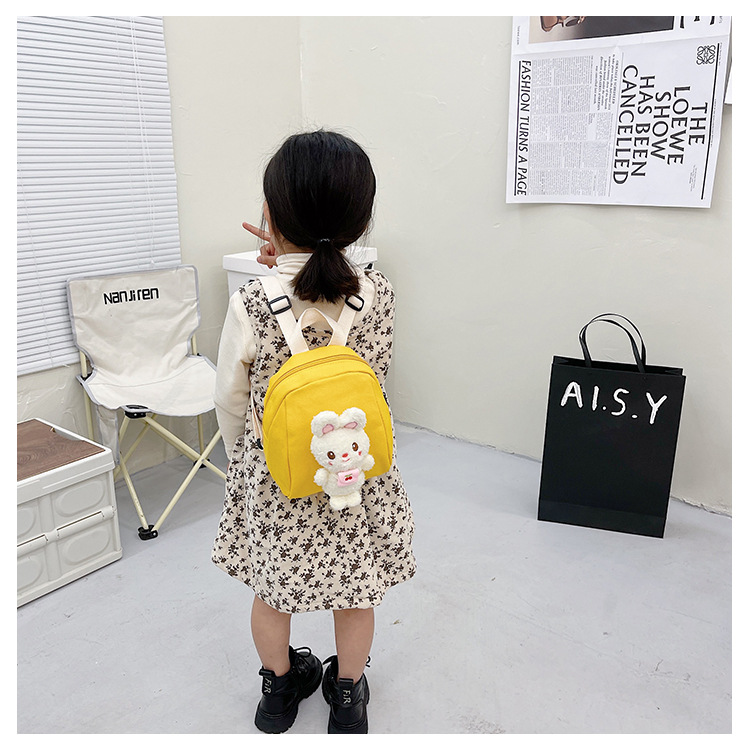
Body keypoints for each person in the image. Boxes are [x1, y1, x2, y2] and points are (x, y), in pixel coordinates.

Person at [211, 130, 416, 734]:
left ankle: (277, 695)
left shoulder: (251, 300)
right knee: (356, 593)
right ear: (360, 219)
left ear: (271, 216)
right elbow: (372, 376)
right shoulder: (379, 293)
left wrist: (246, 459)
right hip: (354, 470)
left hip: (279, 479)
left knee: (271, 592)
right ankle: (347, 698)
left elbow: (229, 397)